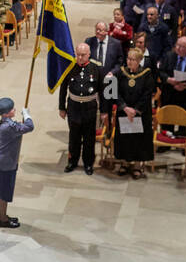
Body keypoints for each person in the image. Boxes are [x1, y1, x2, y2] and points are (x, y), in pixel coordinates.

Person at [61, 43, 106, 175]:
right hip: (73, 108)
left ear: (89, 55)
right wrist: (61, 108)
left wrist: (103, 111)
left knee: (89, 138)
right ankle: (72, 161)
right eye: (78, 55)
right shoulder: (70, 67)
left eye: (83, 55)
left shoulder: (96, 69)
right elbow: (63, 89)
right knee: (73, 137)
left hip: (89, 109)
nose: (80, 57)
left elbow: (102, 92)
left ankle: (88, 163)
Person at [0, 98, 33, 228]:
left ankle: (4, 215)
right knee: (3, 194)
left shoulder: (5, 123)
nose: (15, 110)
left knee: (3, 193)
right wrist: (27, 115)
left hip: (2, 161)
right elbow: (30, 127)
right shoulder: (9, 127)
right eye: (12, 109)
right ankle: (3, 219)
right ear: (6, 113)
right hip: (5, 165)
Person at [111, 48, 155, 179]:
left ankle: (137, 165)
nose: (129, 62)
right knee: (124, 137)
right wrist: (124, 107)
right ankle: (124, 163)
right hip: (124, 112)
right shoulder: (120, 72)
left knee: (138, 139)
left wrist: (135, 110)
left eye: (133, 60)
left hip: (140, 114)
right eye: (128, 59)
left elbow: (147, 95)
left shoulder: (147, 74)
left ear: (139, 61)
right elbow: (113, 91)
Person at [158, 36, 186, 110]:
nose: (178, 48)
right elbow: (160, 72)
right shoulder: (169, 56)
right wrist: (168, 79)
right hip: (169, 94)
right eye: (177, 45)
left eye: (182, 47)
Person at [138, 6, 173, 71]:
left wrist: (161, 60)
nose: (149, 17)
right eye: (147, 14)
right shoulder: (142, 27)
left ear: (157, 15)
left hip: (159, 59)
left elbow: (168, 47)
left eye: (151, 14)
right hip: (144, 59)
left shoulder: (164, 28)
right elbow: (138, 45)